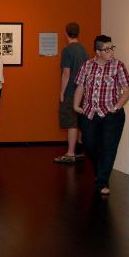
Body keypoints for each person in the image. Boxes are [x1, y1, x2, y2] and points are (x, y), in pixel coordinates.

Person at [73, 35, 129, 196]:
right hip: (89, 113)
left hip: (111, 114)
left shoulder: (118, 66)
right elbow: (80, 87)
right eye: (107, 49)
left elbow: (126, 91)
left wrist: (117, 107)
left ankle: (102, 181)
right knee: (89, 143)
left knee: (109, 148)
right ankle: (101, 170)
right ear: (98, 52)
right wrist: (76, 105)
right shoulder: (87, 65)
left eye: (112, 48)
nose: (111, 52)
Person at [53, 21, 89, 164]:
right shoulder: (83, 50)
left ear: (65, 33)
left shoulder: (67, 50)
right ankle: (79, 149)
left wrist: (62, 92)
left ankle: (70, 153)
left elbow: (66, 73)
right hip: (83, 90)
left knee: (71, 122)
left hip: (71, 91)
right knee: (80, 121)